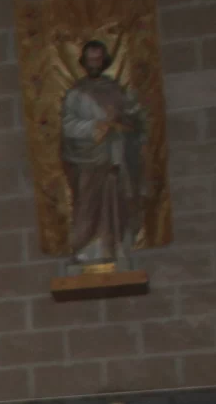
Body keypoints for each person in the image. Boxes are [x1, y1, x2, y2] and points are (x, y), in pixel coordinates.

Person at [59, 37, 150, 266]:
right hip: (88, 159)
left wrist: (124, 121)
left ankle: (114, 247)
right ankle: (86, 249)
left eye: (98, 60)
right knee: (88, 203)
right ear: (84, 62)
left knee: (115, 202)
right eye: (90, 60)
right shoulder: (76, 94)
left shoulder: (115, 90)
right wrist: (94, 128)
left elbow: (135, 120)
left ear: (104, 61)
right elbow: (68, 125)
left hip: (113, 156)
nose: (94, 64)